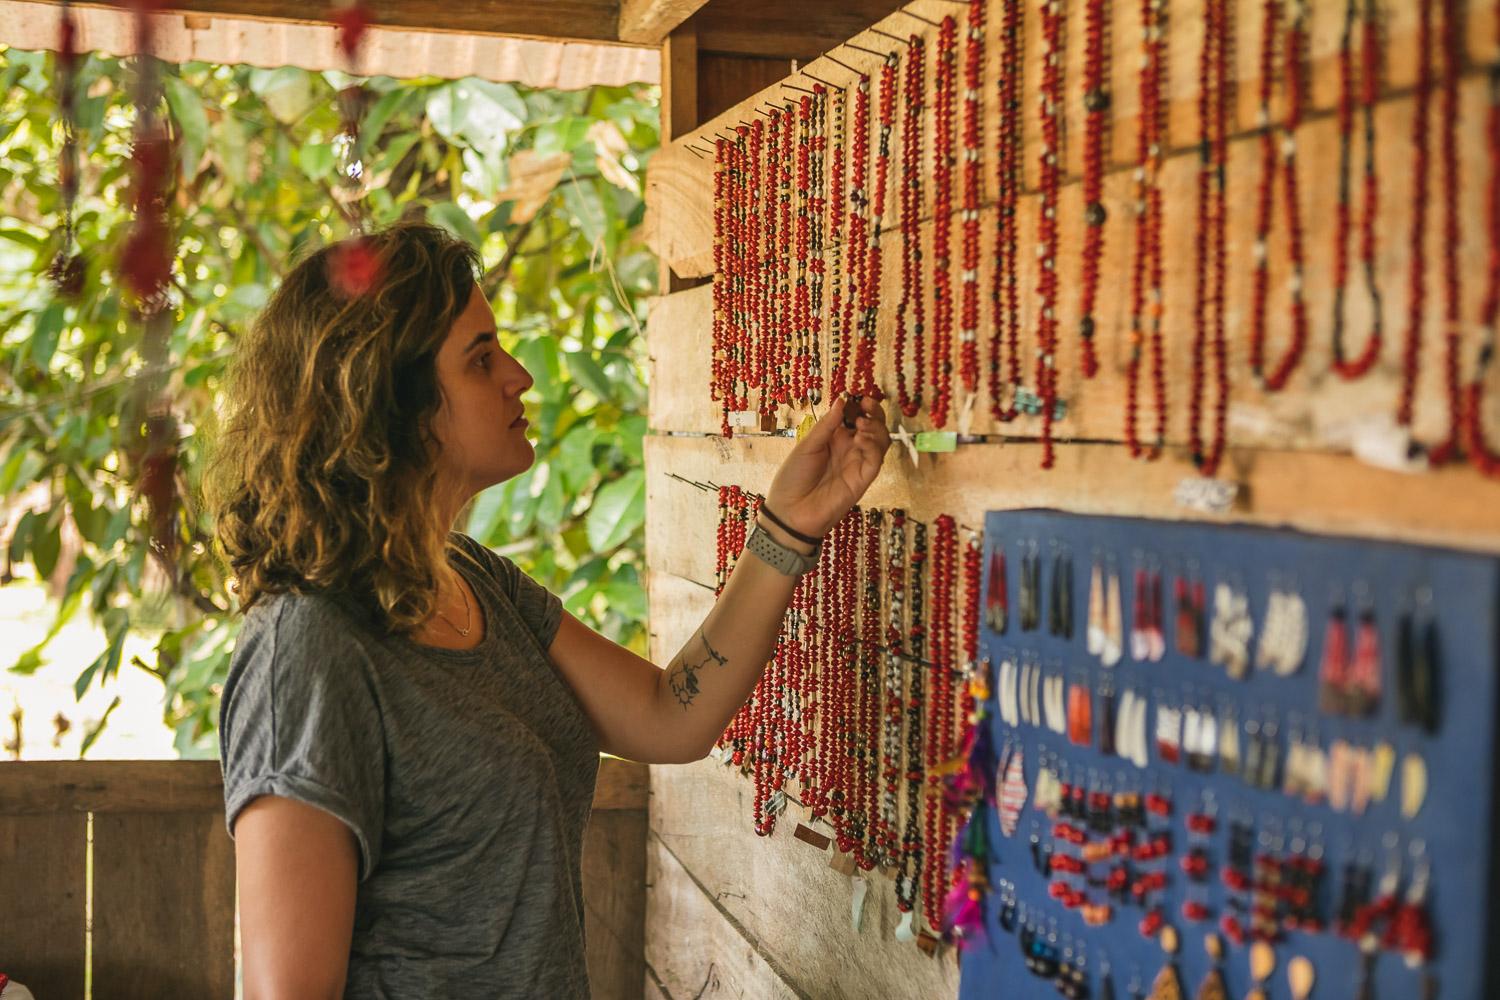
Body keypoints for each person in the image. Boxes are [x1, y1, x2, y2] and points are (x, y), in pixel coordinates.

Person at [205, 221, 892, 999]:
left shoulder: (471, 581)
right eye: (480, 359)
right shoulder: (308, 648)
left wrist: (786, 530)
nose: (519, 377)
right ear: (391, 404)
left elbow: (670, 714)